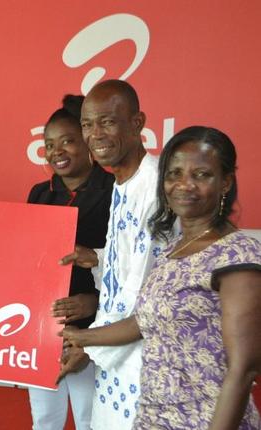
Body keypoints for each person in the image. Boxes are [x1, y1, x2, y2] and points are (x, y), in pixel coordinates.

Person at [62, 126, 261, 429]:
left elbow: (244, 369)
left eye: (202, 175)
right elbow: (143, 322)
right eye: (174, 173)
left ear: (226, 182)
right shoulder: (173, 250)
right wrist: (79, 337)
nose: (184, 185)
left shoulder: (237, 255)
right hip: (153, 418)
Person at [57, 79, 165, 428]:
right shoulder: (121, 182)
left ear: (137, 123)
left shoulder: (156, 185)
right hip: (116, 355)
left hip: (146, 361)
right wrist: (96, 258)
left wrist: (86, 343)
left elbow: (142, 290)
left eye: (107, 121)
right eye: (88, 124)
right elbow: (127, 264)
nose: (95, 134)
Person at [25, 95, 114, 429]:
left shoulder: (113, 189)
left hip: (97, 324)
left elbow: (129, 267)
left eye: (67, 142)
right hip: (44, 324)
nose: (57, 152)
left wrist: (93, 302)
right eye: (49, 144)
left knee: (90, 417)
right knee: (44, 416)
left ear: (87, 141)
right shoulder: (39, 193)